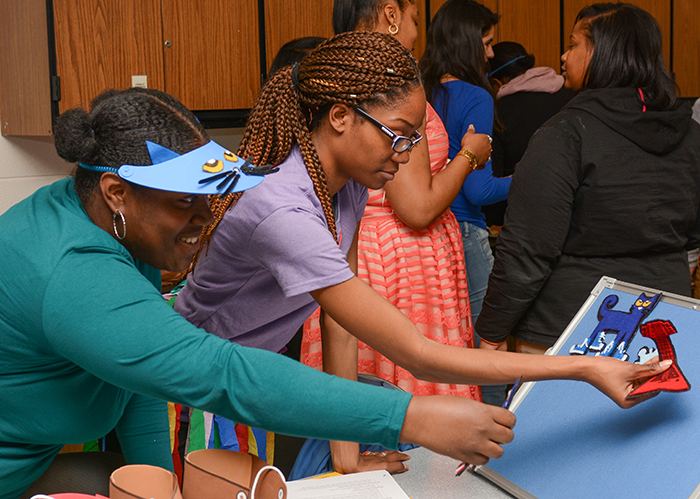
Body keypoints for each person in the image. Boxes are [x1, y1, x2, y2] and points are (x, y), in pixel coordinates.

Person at [175, 30, 669, 475]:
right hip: (188, 391)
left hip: (239, 380)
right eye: (399, 134)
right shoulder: (281, 209)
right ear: (341, 117)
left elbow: (339, 324)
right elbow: (418, 354)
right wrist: (582, 366)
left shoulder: (341, 186)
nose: (408, 154)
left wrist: (347, 457)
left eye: (415, 137)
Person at [0, 86, 509, 499]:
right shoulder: (73, 272)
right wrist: (411, 416)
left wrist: (159, 487)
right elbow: (223, 373)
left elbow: (141, 384)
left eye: (212, 198)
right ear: (117, 192)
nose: (207, 219)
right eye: (186, 203)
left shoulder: (110, 223)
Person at [298, 0, 489, 473]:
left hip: (373, 259)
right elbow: (416, 207)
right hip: (399, 268)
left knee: (369, 402)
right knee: (403, 412)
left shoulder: (349, 79)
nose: (416, 35)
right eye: (415, 20)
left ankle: (351, 462)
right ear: (390, 12)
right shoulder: (387, 85)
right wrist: (468, 155)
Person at [475, 4, 700, 355]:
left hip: (570, 329)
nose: (563, 56)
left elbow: (527, 248)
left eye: (573, 44)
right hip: (663, 323)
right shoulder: (690, 133)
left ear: (602, 52)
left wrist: (491, 332)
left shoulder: (565, 135)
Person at [419, 0, 511, 326]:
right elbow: (479, 191)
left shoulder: (417, 93)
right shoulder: (475, 96)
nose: (490, 55)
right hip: (464, 232)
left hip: (422, 236)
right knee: (486, 343)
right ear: (467, 43)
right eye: (486, 44)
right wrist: (530, 176)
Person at [482, 41, 575, 228]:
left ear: (496, 82)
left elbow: (494, 179)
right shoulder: (572, 96)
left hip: (523, 218)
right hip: (573, 211)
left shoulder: (499, 112)